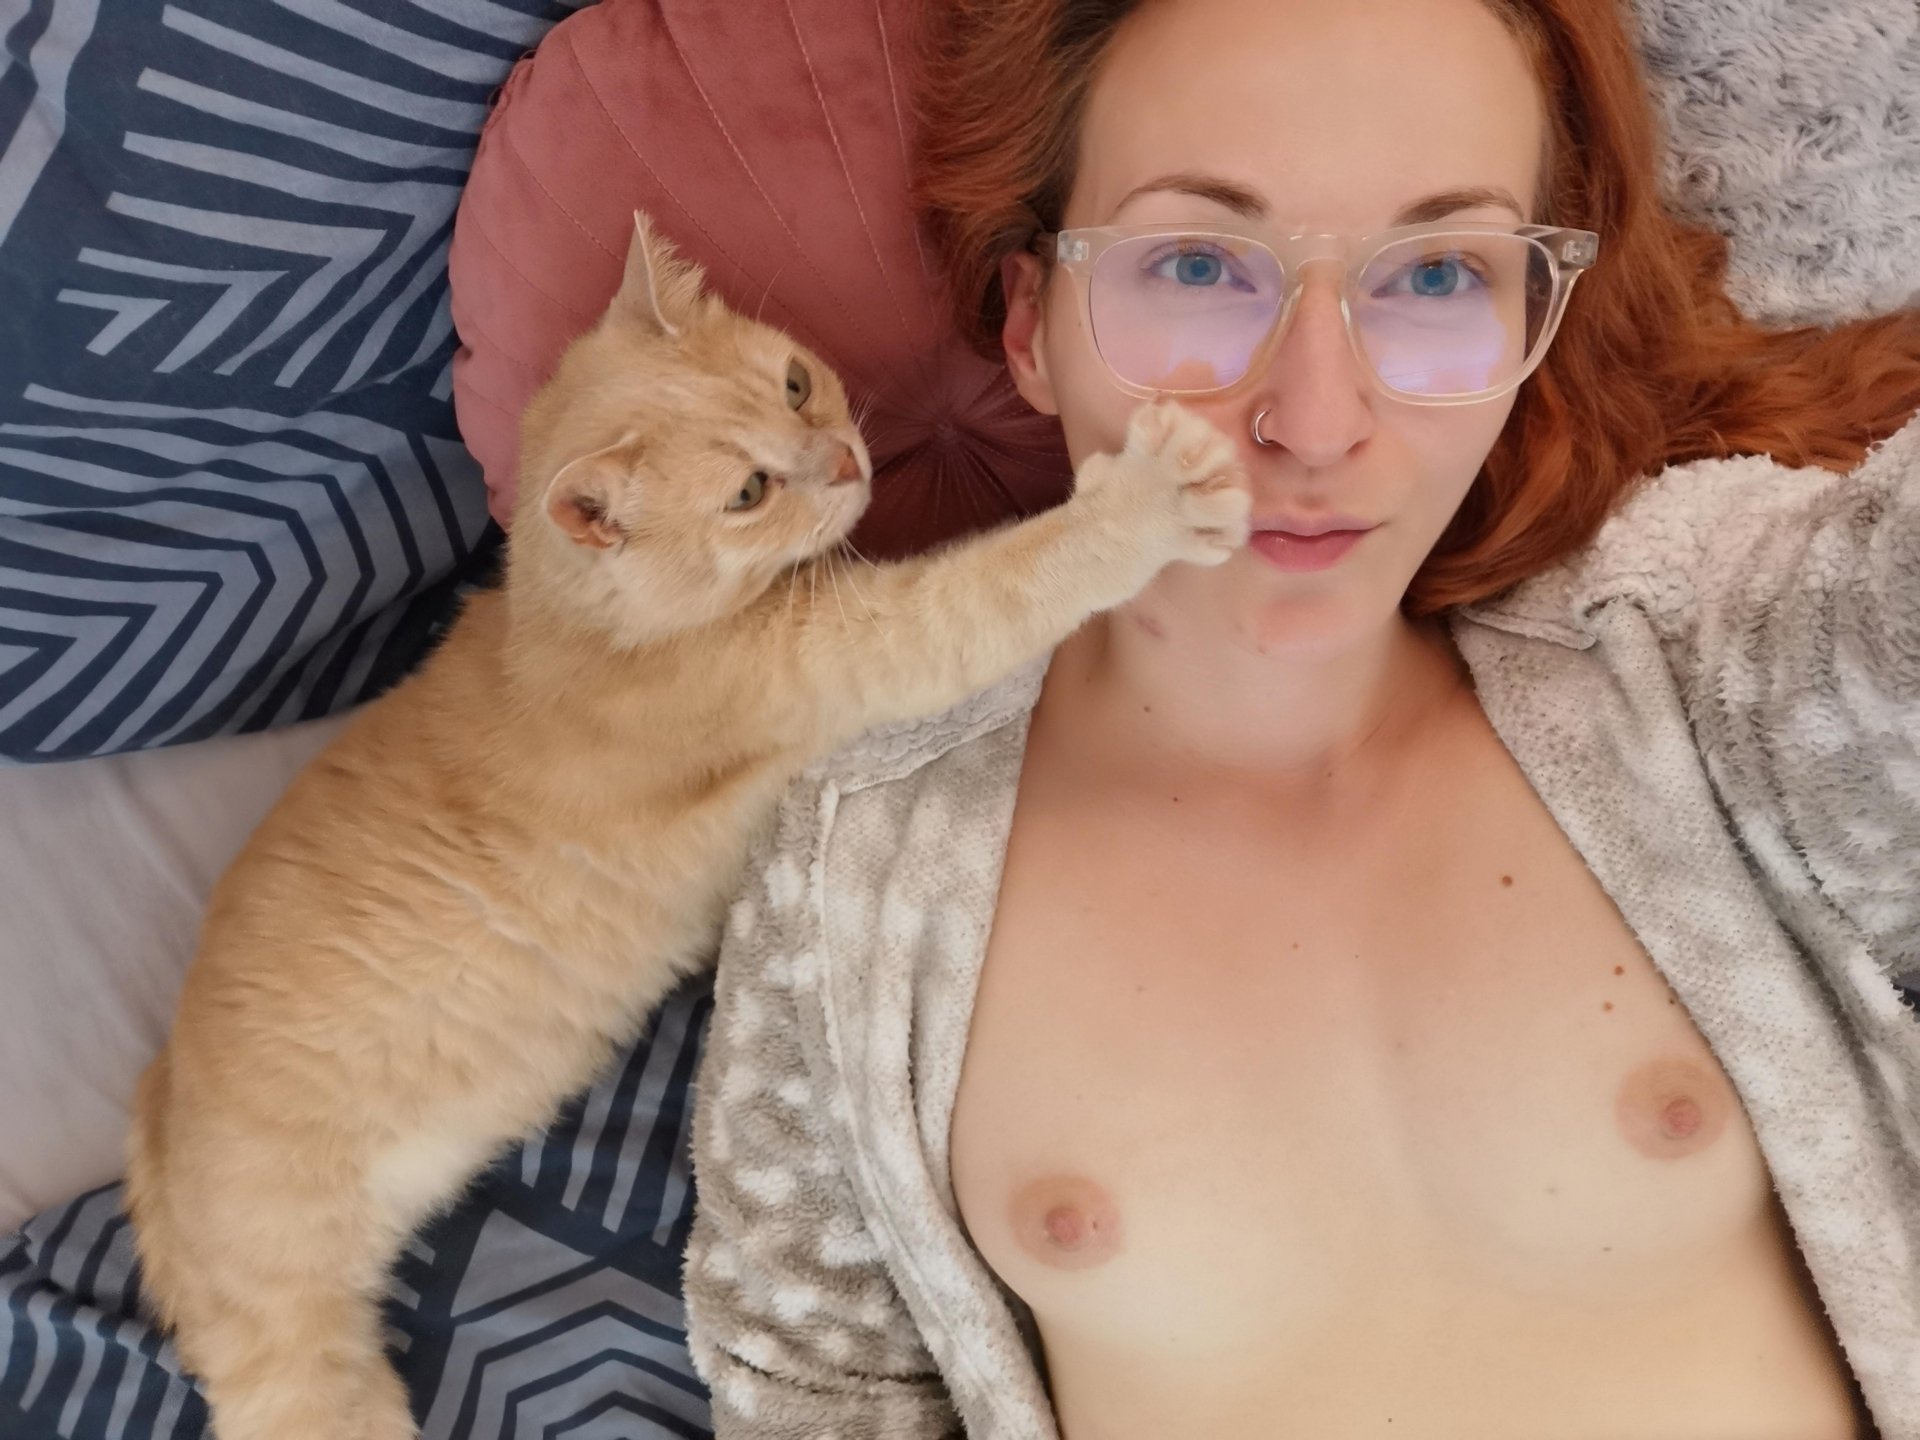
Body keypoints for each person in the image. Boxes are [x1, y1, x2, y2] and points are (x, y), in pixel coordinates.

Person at [681, 0, 1920, 1437]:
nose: (1317, 421)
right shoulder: (852, 867)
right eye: (1198, 265)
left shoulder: (1693, 663)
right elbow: (813, 1388)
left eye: (1439, 273)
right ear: (1031, 325)